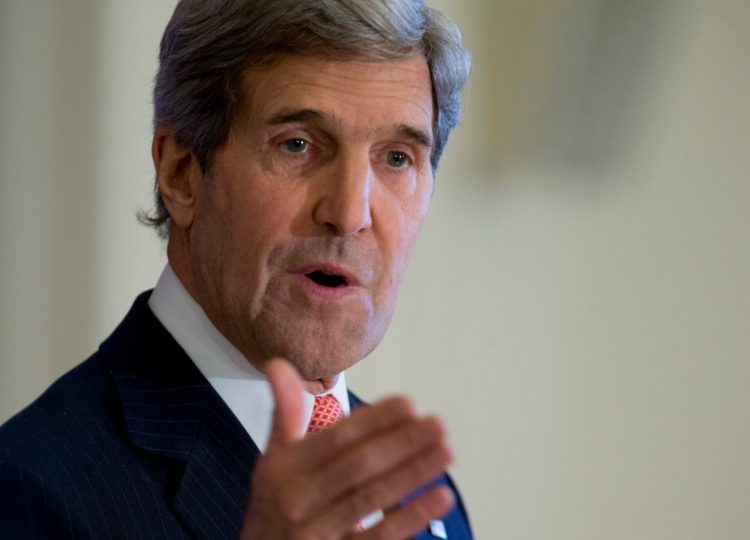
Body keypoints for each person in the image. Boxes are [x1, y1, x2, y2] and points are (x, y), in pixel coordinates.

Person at [0, 0, 471, 538]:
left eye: (395, 159)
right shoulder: (30, 490)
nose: (349, 213)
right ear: (181, 173)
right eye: (298, 145)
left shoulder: (425, 500)